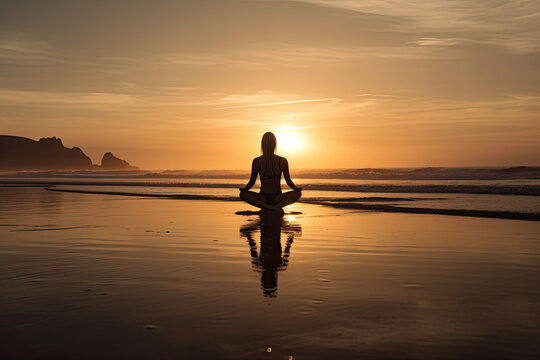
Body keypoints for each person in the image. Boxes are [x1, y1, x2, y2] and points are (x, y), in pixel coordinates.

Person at [239, 132, 302, 211]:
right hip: (276, 198)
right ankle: (275, 207)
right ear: (274, 144)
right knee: (298, 193)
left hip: (264, 198)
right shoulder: (282, 161)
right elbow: (288, 181)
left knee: (243, 194)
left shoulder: (257, 161)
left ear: (262, 144)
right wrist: (296, 189)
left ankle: (268, 207)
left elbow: (252, 182)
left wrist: (245, 190)